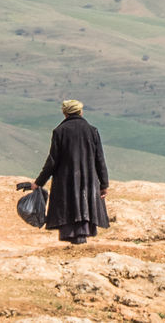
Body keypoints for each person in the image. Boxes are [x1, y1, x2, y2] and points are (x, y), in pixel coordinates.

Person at [28, 99, 109, 244]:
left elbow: (52, 161)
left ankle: (75, 241)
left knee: (69, 208)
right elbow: (100, 160)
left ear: (65, 113)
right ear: (80, 112)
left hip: (65, 181)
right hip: (88, 180)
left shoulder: (60, 131)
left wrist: (38, 183)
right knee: (84, 206)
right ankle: (81, 240)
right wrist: (104, 184)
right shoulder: (92, 131)